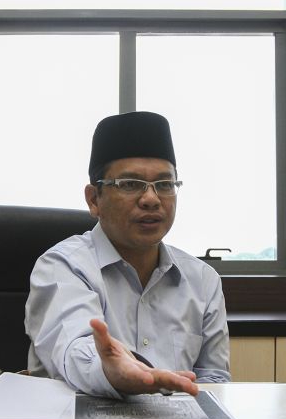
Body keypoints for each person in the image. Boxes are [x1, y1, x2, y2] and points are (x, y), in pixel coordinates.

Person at [25, 111, 230, 399]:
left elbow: (214, 381)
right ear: (94, 199)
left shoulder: (203, 280)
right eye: (130, 184)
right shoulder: (63, 266)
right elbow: (74, 347)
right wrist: (111, 370)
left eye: (165, 184)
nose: (151, 199)